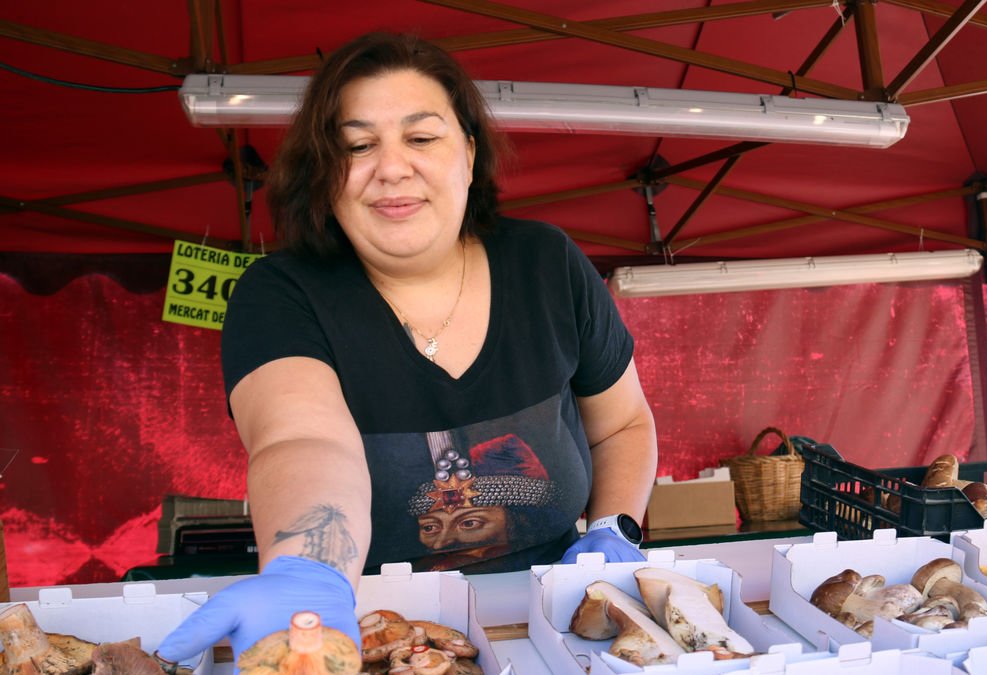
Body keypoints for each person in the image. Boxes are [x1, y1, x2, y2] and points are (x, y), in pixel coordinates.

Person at [155, 31, 658, 664]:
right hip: (369, 636)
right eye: (358, 146)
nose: (391, 167)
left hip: (554, 633)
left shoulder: (546, 264)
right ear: (325, 173)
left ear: (469, 156)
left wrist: (615, 526)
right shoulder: (280, 294)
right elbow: (299, 439)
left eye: (421, 138)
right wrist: (311, 571)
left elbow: (624, 425)